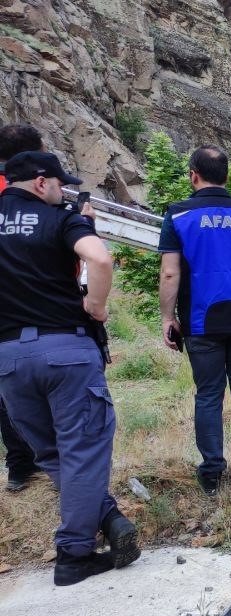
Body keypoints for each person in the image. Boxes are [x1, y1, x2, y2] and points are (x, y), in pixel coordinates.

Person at [0, 150, 140, 586]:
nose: (64, 191)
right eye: (61, 184)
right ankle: (74, 554)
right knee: (82, 450)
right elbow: (99, 259)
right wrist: (95, 307)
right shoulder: (61, 219)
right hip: (66, 349)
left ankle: (108, 516)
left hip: (8, 357)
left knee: (52, 454)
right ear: (41, 182)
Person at [159, 145, 231, 496]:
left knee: (208, 395)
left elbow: (170, 273)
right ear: (227, 175)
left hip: (201, 321)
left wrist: (167, 317)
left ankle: (211, 473)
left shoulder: (178, 215)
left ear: (193, 175)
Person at [0, 124, 44, 492]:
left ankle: (19, 467)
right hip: (43, 302)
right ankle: (55, 462)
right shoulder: (38, 192)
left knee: (7, 389)